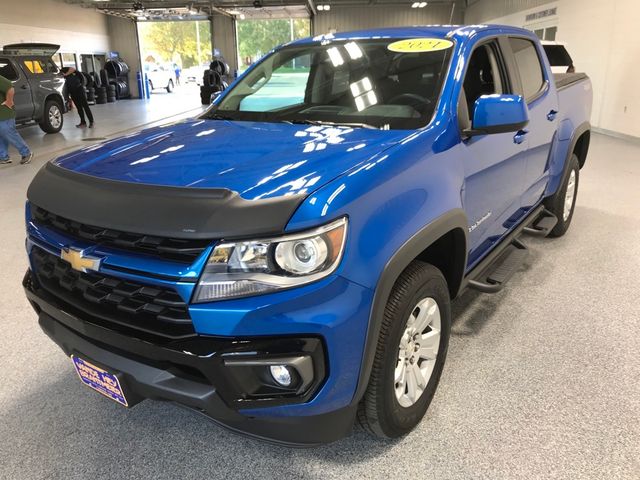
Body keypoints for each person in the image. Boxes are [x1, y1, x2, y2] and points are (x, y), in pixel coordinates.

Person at [0, 74, 33, 165]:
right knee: (1, 135)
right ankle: (3, 157)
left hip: (4, 113)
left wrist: (9, 101)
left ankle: (26, 153)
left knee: (8, 132)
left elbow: (10, 87)